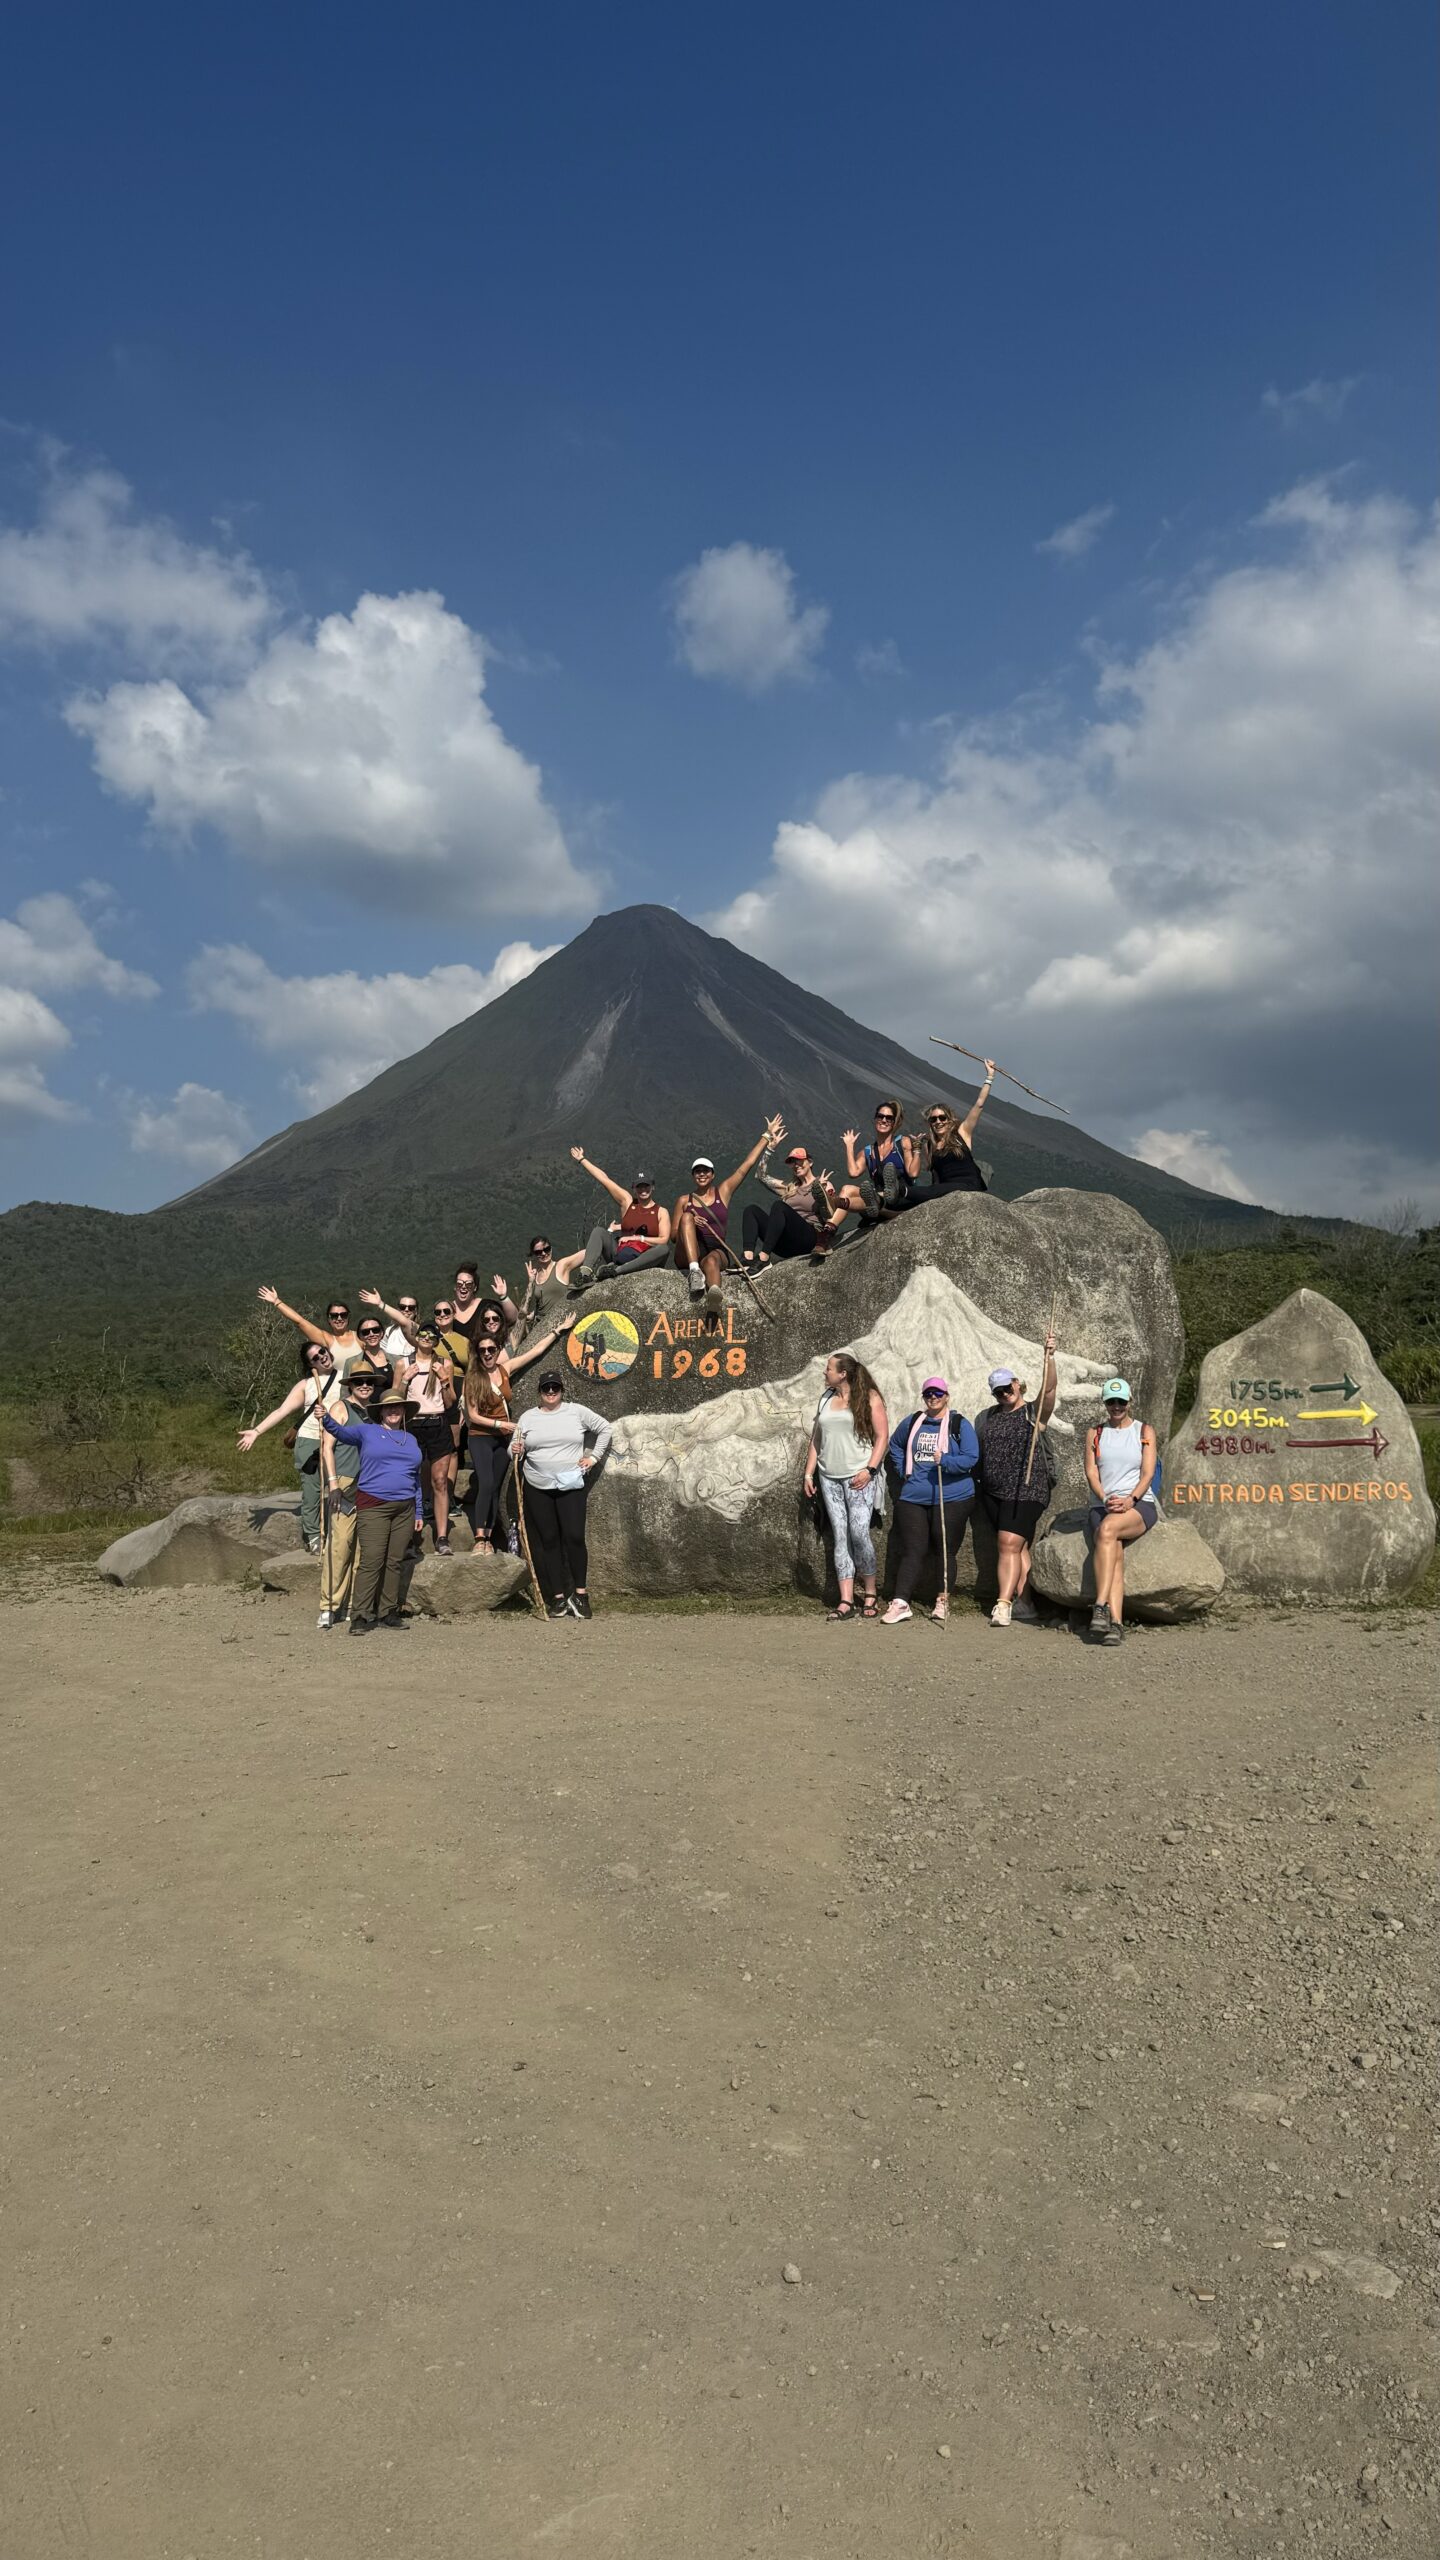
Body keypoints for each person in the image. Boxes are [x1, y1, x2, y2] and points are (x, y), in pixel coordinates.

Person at [321, 1388, 424, 1633]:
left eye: (398, 1407)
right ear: (380, 1412)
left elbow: (416, 1477)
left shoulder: (411, 1439)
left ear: (404, 1411)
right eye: (388, 1407)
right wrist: (324, 1417)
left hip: (405, 1507)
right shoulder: (367, 1431)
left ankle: (388, 1612)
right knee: (372, 1560)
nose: (393, 1411)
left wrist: (418, 1510)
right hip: (374, 1505)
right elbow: (340, 1432)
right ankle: (360, 1614)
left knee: (394, 1561)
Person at [512, 1371, 612, 1618]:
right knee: (548, 1540)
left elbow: (605, 1428)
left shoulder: (575, 1411)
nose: (550, 1392)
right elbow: (514, 1448)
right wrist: (515, 1449)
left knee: (575, 1537)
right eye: (546, 1388)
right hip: (538, 1485)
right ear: (539, 1391)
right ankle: (557, 1597)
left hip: (570, 1484)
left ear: (562, 1389)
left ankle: (580, 1594)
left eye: (555, 1387)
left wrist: (593, 1457)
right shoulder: (528, 1417)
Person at [881, 1377, 980, 1625]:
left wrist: (945, 1461)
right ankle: (901, 1602)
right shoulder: (914, 1422)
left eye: (938, 1393)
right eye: (928, 1394)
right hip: (914, 1496)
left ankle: (942, 1600)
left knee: (945, 1550)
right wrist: (905, 1470)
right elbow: (895, 1445)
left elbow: (971, 1458)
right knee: (912, 1549)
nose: (933, 1397)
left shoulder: (959, 1424)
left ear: (947, 1396)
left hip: (953, 1496)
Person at [975, 1337, 1057, 1627]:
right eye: (998, 1392)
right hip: (994, 1492)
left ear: (1018, 1385)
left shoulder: (1032, 1413)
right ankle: (1026, 1603)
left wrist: (1049, 1357)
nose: (1004, 1394)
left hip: (1026, 1489)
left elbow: (1049, 1391)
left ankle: (1003, 1603)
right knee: (1018, 1548)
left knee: (1007, 1543)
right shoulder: (986, 1417)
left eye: (1008, 1388)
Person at [237, 1339, 347, 1550]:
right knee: (313, 1491)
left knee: (341, 1486)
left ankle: (342, 1532)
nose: (322, 1357)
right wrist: (256, 1431)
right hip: (311, 1441)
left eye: (322, 1351)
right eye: (315, 1357)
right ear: (311, 1365)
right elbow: (282, 1411)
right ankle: (314, 1537)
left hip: (339, 1441)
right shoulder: (306, 1385)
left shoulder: (346, 1376)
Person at [802, 1352, 889, 1620]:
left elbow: (882, 1436)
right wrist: (809, 1474)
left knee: (859, 1533)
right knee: (840, 1536)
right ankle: (846, 1599)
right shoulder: (826, 1399)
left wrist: (870, 1470)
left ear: (843, 1374)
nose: (824, 1373)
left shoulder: (869, 1398)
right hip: (829, 1477)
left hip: (858, 1477)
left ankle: (871, 1593)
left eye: (828, 1369)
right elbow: (818, 1438)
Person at [673, 1118, 784, 1310]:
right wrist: (690, 1223)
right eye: (697, 1171)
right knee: (687, 1216)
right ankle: (694, 1273)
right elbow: (674, 1237)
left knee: (712, 1260)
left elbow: (746, 1166)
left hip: (716, 1249)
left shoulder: (722, 1192)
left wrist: (766, 1136)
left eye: (706, 1171)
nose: (702, 1174)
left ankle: (714, 1296)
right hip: (688, 1253)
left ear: (713, 1174)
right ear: (693, 1175)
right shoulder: (684, 1200)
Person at [1084, 1379, 1161, 1647]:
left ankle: (1099, 1605)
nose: (1116, 1407)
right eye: (1110, 1402)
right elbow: (1092, 1471)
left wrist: (1130, 1500)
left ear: (1130, 1402)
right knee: (1112, 1549)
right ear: (1105, 1403)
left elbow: (1148, 1472)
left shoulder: (1144, 1431)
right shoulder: (1095, 1432)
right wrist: (1105, 1498)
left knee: (1107, 1530)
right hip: (1102, 1504)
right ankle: (1115, 1625)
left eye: (1121, 1402)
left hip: (1139, 1504)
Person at [316, 1363, 377, 1628]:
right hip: (344, 1482)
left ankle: (356, 1604)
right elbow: (327, 1447)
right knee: (340, 1546)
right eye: (359, 1381)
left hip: (371, 1485)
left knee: (363, 1551)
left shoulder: (376, 1413)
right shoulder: (340, 1408)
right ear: (350, 1384)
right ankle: (329, 1605)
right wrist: (332, 1483)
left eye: (369, 1381)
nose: (364, 1385)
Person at [399, 1321, 460, 1553]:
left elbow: (450, 1401)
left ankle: (442, 1537)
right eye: (422, 1334)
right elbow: (394, 1398)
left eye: (431, 1335)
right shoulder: (404, 1363)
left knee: (440, 1481)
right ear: (416, 1337)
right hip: (413, 1424)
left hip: (437, 1422)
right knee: (409, 1481)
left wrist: (444, 1380)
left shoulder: (444, 1363)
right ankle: (408, 1537)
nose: (426, 1338)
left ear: (436, 1340)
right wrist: (406, 1379)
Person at [569, 1147, 673, 1281]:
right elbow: (604, 1179)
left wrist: (637, 1238)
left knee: (663, 1249)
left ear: (653, 1187)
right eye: (639, 1186)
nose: (643, 1190)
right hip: (619, 1252)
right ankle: (585, 1274)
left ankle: (616, 1271)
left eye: (646, 1186)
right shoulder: (627, 1202)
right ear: (634, 1189)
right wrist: (582, 1160)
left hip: (642, 1258)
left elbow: (663, 1239)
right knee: (599, 1231)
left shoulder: (661, 1212)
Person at [741, 1144, 847, 1269]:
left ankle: (764, 1258)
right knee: (751, 1210)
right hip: (785, 1245)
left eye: (799, 1160)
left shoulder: (824, 1184)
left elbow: (830, 1215)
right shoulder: (789, 1188)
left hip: (808, 1239)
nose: (796, 1164)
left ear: (810, 1162)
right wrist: (769, 1149)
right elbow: (761, 1175)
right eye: (792, 1162)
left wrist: (822, 1194)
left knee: (779, 1206)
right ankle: (747, 1259)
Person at [463, 1335, 515, 1552]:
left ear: (498, 1349)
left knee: (494, 1487)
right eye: (482, 1349)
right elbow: (473, 1416)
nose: (487, 1353)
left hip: (501, 1439)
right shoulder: (473, 1378)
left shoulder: (505, 1369)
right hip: (480, 1436)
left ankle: (489, 1538)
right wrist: (500, 1423)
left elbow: (534, 1352)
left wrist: (557, 1330)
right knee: (485, 1483)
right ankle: (479, 1538)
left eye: (491, 1349)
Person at [835, 1101, 921, 1226]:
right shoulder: (868, 1151)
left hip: (901, 1199)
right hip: (876, 1200)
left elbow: (913, 1173)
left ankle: (837, 1203)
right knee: (847, 1189)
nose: (884, 1120)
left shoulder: (902, 1143)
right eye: (880, 1116)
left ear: (894, 1122)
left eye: (889, 1118)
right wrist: (849, 1146)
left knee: (873, 1198)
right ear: (875, 1119)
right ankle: (828, 1230)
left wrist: (917, 1148)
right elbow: (853, 1172)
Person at [921, 1066, 995, 1195]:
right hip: (943, 1190)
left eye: (942, 1118)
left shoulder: (962, 1133)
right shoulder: (929, 1145)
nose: (938, 1122)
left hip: (968, 1187)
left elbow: (979, 1104)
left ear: (950, 1120)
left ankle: (900, 1191)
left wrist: (990, 1076)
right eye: (933, 1119)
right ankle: (881, 1198)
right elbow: (933, 1172)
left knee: (917, 1193)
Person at [256, 1284, 362, 1369]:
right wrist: (277, 1302)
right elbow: (300, 1321)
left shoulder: (360, 1337)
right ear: (329, 1319)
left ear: (348, 1317)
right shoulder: (326, 1339)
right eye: (334, 1316)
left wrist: (379, 1304)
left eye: (343, 1315)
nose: (339, 1318)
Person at [359, 1285, 420, 1362]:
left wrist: (380, 1304)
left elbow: (405, 1323)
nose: (406, 1310)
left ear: (416, 1311)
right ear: (398, 1309)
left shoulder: (421, 1330)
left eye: (411, 1307)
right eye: (402, 1307)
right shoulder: (390, 1331)